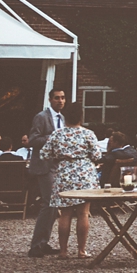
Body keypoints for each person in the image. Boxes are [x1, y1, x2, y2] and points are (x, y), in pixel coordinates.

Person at [39, 101, 101, 259]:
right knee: (83, 213)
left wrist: (59, 156)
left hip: (64, 174)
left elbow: (44, 155)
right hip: (84, 175)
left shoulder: (57, 134)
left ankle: (63, 251)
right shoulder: (88, 134)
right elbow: (97, 156)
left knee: (64, 215)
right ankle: (81, 250)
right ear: (81, 116)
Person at [27, 88, 66, 258]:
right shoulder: (41, 117)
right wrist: (53, 137)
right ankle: (36, 246)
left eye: (63, 98)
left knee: (53, 204)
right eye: (57, 98)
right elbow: (33, 140)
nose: (60, 101)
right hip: (44, 165)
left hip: (57, 165)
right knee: (49, 202)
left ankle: (43, 242)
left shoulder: (62, 118)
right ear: (50, 100)